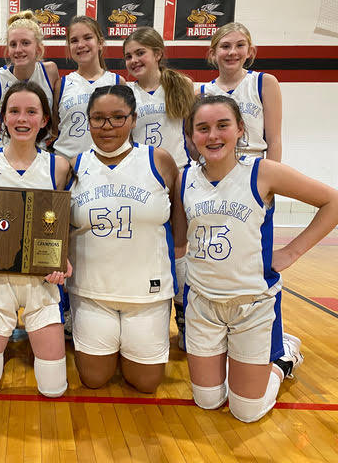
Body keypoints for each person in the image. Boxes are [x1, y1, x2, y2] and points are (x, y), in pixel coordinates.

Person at [174, 95, 338, 422]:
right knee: (208, 401)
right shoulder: (183, 179)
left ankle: (283, 358)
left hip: (253, 304)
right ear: (191, 136)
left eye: (222, 125)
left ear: (240, 129)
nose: (213, 135)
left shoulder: (263, 172)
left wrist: (291, 252)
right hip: (202, 304)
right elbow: (180, 242)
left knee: (246, 412)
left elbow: (332, 202)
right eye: (203, 128)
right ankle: (243, 365)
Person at [67, 85, 179, 393]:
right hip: (91, 292)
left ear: (133, 119)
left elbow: (179, 225)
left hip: (148, 294)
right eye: (98, 118)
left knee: (146, 383)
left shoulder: (159, 161)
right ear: (88, 120)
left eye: (118, 117)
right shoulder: (74, 167)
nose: (107, 126)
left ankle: (125, 345)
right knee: (94, 379)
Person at [0, 81, 71, 398]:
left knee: (53, 388)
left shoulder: (58, 166)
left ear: (44, 119)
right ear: (3, 117)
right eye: (14, 111)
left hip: (41, 281)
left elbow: (57, 223)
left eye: (31, 112)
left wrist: (62, 260)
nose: (22, 119)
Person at [123, 27, 196, 350]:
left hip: (178, 177)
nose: (134, 60)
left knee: (180, 251)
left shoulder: (182, 86)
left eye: (140, 53)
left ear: (158, 54)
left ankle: (185, 316)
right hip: (142, 180)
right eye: (128, 56)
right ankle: (150, 315)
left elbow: (192, 134)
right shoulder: (126, 91)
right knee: (148, 250)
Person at [199, 22, 282, 161]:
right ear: (213, 53)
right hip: (215, 166)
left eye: (240, 45)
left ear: (250, 51)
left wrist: (271, 173)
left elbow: (274, 141)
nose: (232, 52)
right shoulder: (201, 92)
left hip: (253, 165)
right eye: (225, 46)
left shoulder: (264, 83)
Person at [52, 15, 122, 159]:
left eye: (87, 38)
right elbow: (54, 127)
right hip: (67, 164)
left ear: (100, 43)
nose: (80, 45)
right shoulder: (61, 85)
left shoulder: (117, 82)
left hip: (104, 164)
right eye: (74, 40)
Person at [0, 10, 59, 147]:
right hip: (7, 150)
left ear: (38, 48)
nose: (18, 50)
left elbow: (56, 117)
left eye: (25, 43)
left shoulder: (50, 71)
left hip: (41, 150)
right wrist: (2, 120)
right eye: (13, 44)